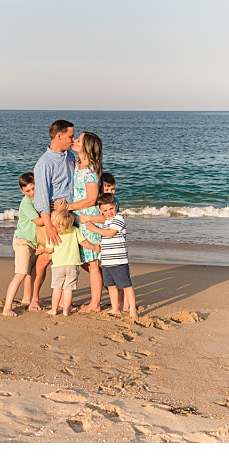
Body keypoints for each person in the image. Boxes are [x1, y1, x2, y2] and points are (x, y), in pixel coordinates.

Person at [31, 120, 77, 311]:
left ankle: (62, 299)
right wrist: (48, 225)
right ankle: (34, 298)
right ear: (59, 136)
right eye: (71, 136)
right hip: (52, 218)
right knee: (45, 258)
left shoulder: (70, 156)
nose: (73, 140)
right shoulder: (44, 163)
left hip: (70, 215)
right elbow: (41, 198)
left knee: (70, 257)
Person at [65, 132, 107, 313]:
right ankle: (110, 285)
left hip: (87, 219)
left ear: (87, 147)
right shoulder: (77, 163)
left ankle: (95, 304)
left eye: (79, 140)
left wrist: (69, 206)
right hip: (77, 218)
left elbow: (91, 199)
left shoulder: (90, 170)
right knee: (84, 260)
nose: (74, 141)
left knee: (92, 262)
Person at [84, 193, 136, 317]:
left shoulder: (119, 218)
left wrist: (94, 229)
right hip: (107, 261)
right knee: (111, 286)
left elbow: (110, 233)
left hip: (119, 260)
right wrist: (97, 246)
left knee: (126, 285)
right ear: (101, 211)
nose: (109, 212)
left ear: (116, 205)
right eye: (105, 210)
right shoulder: (106, 221)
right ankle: (115, 308)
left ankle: (132, 309)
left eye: (111, 209)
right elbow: (104, 238)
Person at [45, 209, 100, 317]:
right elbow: (83, 242)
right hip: (73, 265)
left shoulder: (52, 234)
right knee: (68, 289)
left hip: (58, 266)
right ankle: (66, 311)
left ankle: (54, 309)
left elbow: (49, 250)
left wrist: (42, 249)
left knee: (57, 289)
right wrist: (94, 248)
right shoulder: (75, 230)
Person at [2, 172, 41, 316]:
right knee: (21, 273)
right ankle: (7, 307)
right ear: (22, 191)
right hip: (23, 242)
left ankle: (26, 298)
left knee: (31, 272)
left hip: (34, 243)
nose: (32, 193)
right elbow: (40, 221)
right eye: (28, 191)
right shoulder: (26, 203)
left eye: (33, 188)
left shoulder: (39, 199)